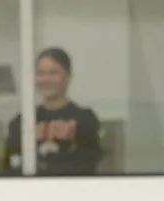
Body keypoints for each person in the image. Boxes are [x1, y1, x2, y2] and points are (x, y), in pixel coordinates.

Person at [6, 48, 103, 176]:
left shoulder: (85, 119)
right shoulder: (22, 121)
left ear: (68, 76)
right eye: (41, 73)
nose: (46, 79)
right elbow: (11, 166)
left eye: (53, 73)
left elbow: (87, 165)